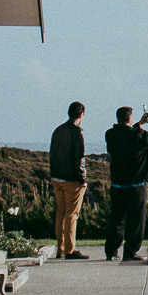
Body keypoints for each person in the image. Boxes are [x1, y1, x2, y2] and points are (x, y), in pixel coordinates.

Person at [104, 106, 148, 262]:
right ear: (130, 118)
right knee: (136, 220)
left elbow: (126, 134)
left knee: (117, 219)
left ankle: (111, 250)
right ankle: (130, 252)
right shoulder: (137, 135)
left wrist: (139, 124)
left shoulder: (110, 135)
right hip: (135, 184)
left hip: (117, 184)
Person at [49, 101, 90, 260]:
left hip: (57, 177)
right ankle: (70, 249)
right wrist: (82, 178)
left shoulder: (58, 130)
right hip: (71, 179)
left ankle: (60, 248)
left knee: (61, 213)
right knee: (72, 214)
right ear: (81, 115)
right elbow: (79, 157)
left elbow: (52, 153)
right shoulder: (76, 132)